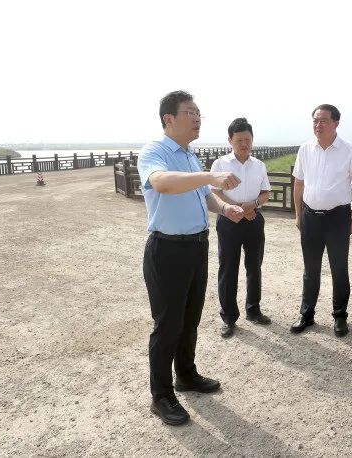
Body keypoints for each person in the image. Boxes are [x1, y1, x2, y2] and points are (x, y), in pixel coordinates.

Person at [137, 90, 245, 426]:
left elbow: (202, 194)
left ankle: (185, 373)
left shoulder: (189, 155)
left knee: (190, 318)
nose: (197, 118)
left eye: (199, 112)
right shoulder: (155, 151)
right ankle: (161, 395)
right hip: (167, 249)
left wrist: (224, 207)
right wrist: (210, 176)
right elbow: (161, 183)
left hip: (197, 246)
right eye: (190, 112)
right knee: (167, 325)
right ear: (169, 118)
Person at [290, 104, 352, 337]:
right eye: (315, 120)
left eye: (323, 120)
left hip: (338, 218)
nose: (318, 125)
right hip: (310, 216)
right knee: (310, 269)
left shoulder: (350, 149)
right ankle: (307, 313)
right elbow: (298, 183)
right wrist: (298, 214)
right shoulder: (305, 148)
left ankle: (340, 316)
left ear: (336, 123)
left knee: (339, 269)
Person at [210, 118, 272, 337]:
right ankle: (228, 317)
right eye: (239, 140)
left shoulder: (259, 165)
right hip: (228, 220)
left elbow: (265, 193)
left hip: (253, 219)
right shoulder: (220, 164)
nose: (244, 144)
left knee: (254, 266)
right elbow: (214, 192)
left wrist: (252, 205)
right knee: (228, 268)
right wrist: (236, 208)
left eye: (248, 139)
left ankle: (253, 310)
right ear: (230, 140)